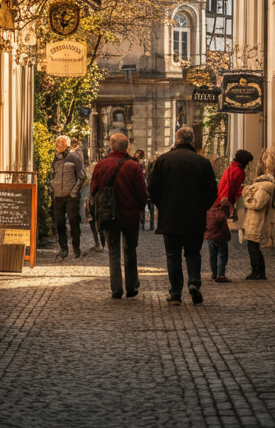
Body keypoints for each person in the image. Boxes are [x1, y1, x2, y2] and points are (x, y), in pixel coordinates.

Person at [147, 126, 218, 305]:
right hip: (195, 217)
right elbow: (212, 191)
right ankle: (194, 282)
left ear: (176, 140)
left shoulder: (163, 160)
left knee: (173, 256)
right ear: (192, 140)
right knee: (193, 253)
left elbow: (152, 189)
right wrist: (202, 207)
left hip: (170, 217)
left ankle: (176, 293)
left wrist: (163, 206)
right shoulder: (203, 162)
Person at [91, 133, 147, 299]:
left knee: (113, 253)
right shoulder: (133, 166)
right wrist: (139, 208)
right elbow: (141, 193)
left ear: (111, 146)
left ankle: (116, 289)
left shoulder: (101, 165)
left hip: (109, 217)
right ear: (127, 147)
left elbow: (93, 190)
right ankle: (131, 287)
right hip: (130, 216)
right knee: (130, 251)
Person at [207, 150, 253, 282]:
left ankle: (214, 273)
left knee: (212, 245)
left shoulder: (230, 168)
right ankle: (220, 274)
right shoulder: (238, 171)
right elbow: (228, 191)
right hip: (221, 209)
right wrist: (231, 208)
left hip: (215, 208)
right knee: (222, 246)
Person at [50, 135, 87, 259]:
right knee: (59, 223)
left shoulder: (73, 157)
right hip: (58, 196)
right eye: (58, 142)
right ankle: (63, 249)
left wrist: (74, 192)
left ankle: (76, 248)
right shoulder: (54, 158)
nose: (59, 145)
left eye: (62, 143)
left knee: (73, 222)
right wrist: (52, 187)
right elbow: (51, 175)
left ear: (67, 145)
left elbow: (82, 176)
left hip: (71, 197)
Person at [240, 159, 275, 280]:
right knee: (253, 247)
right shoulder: (260, 189)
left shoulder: (263, 190)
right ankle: (258, 271)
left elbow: (256, 204)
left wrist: (246, 198)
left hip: (257, 222)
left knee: (253, 248)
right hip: (253, 221)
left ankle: (258, 272)